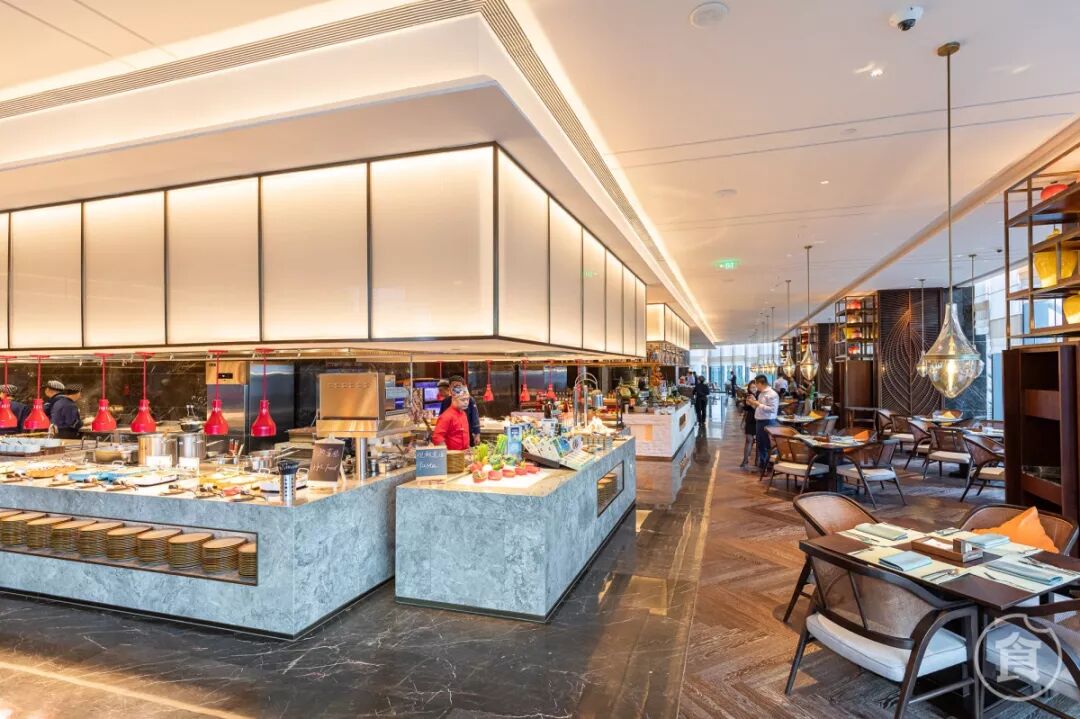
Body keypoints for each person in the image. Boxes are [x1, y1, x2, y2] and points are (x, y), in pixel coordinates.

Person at [746, 374, 779, 468]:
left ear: (761, 383)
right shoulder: (761, 393)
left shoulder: (772, 394)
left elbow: (773, 409)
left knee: (768, 444)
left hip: (768, 421)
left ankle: (769, 464)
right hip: (759, 421)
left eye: (756, 384)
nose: (756, 387)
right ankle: (763, 463)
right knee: (760, 444)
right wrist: (752, 403)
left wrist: (757, 404)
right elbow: (759, 408)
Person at [439, 375, 481, 446]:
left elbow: (475, 418)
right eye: (454, 386)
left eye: (458, 386)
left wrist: (477, 434)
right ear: (450, 387)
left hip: (467, 436)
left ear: (463, 387)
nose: (456, 388)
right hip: (450, 438)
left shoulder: (470, 400)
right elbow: (441, 420)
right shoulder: (445, 402)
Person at [431, 385, 471, 450]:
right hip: (452, 455)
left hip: (465, 453)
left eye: (467, 399)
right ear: (453, 399)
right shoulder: (446, 416)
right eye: (462, 400)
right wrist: (447, 452)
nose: (466, 402)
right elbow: (437, 437)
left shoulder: (463, 414)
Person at [739, 380, 759, 468]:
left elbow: (757, 407)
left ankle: (757, 460)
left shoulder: (761, 396)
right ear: (749, 388)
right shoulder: (748, 396)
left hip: (759, 420)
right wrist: (748, 403)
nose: (753, 389)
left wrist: (754, 402)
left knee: (759, 442)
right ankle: (745, 459)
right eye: (751, 387)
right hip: (750, 419)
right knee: (748, 440)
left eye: (755, 387)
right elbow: (747, 409)